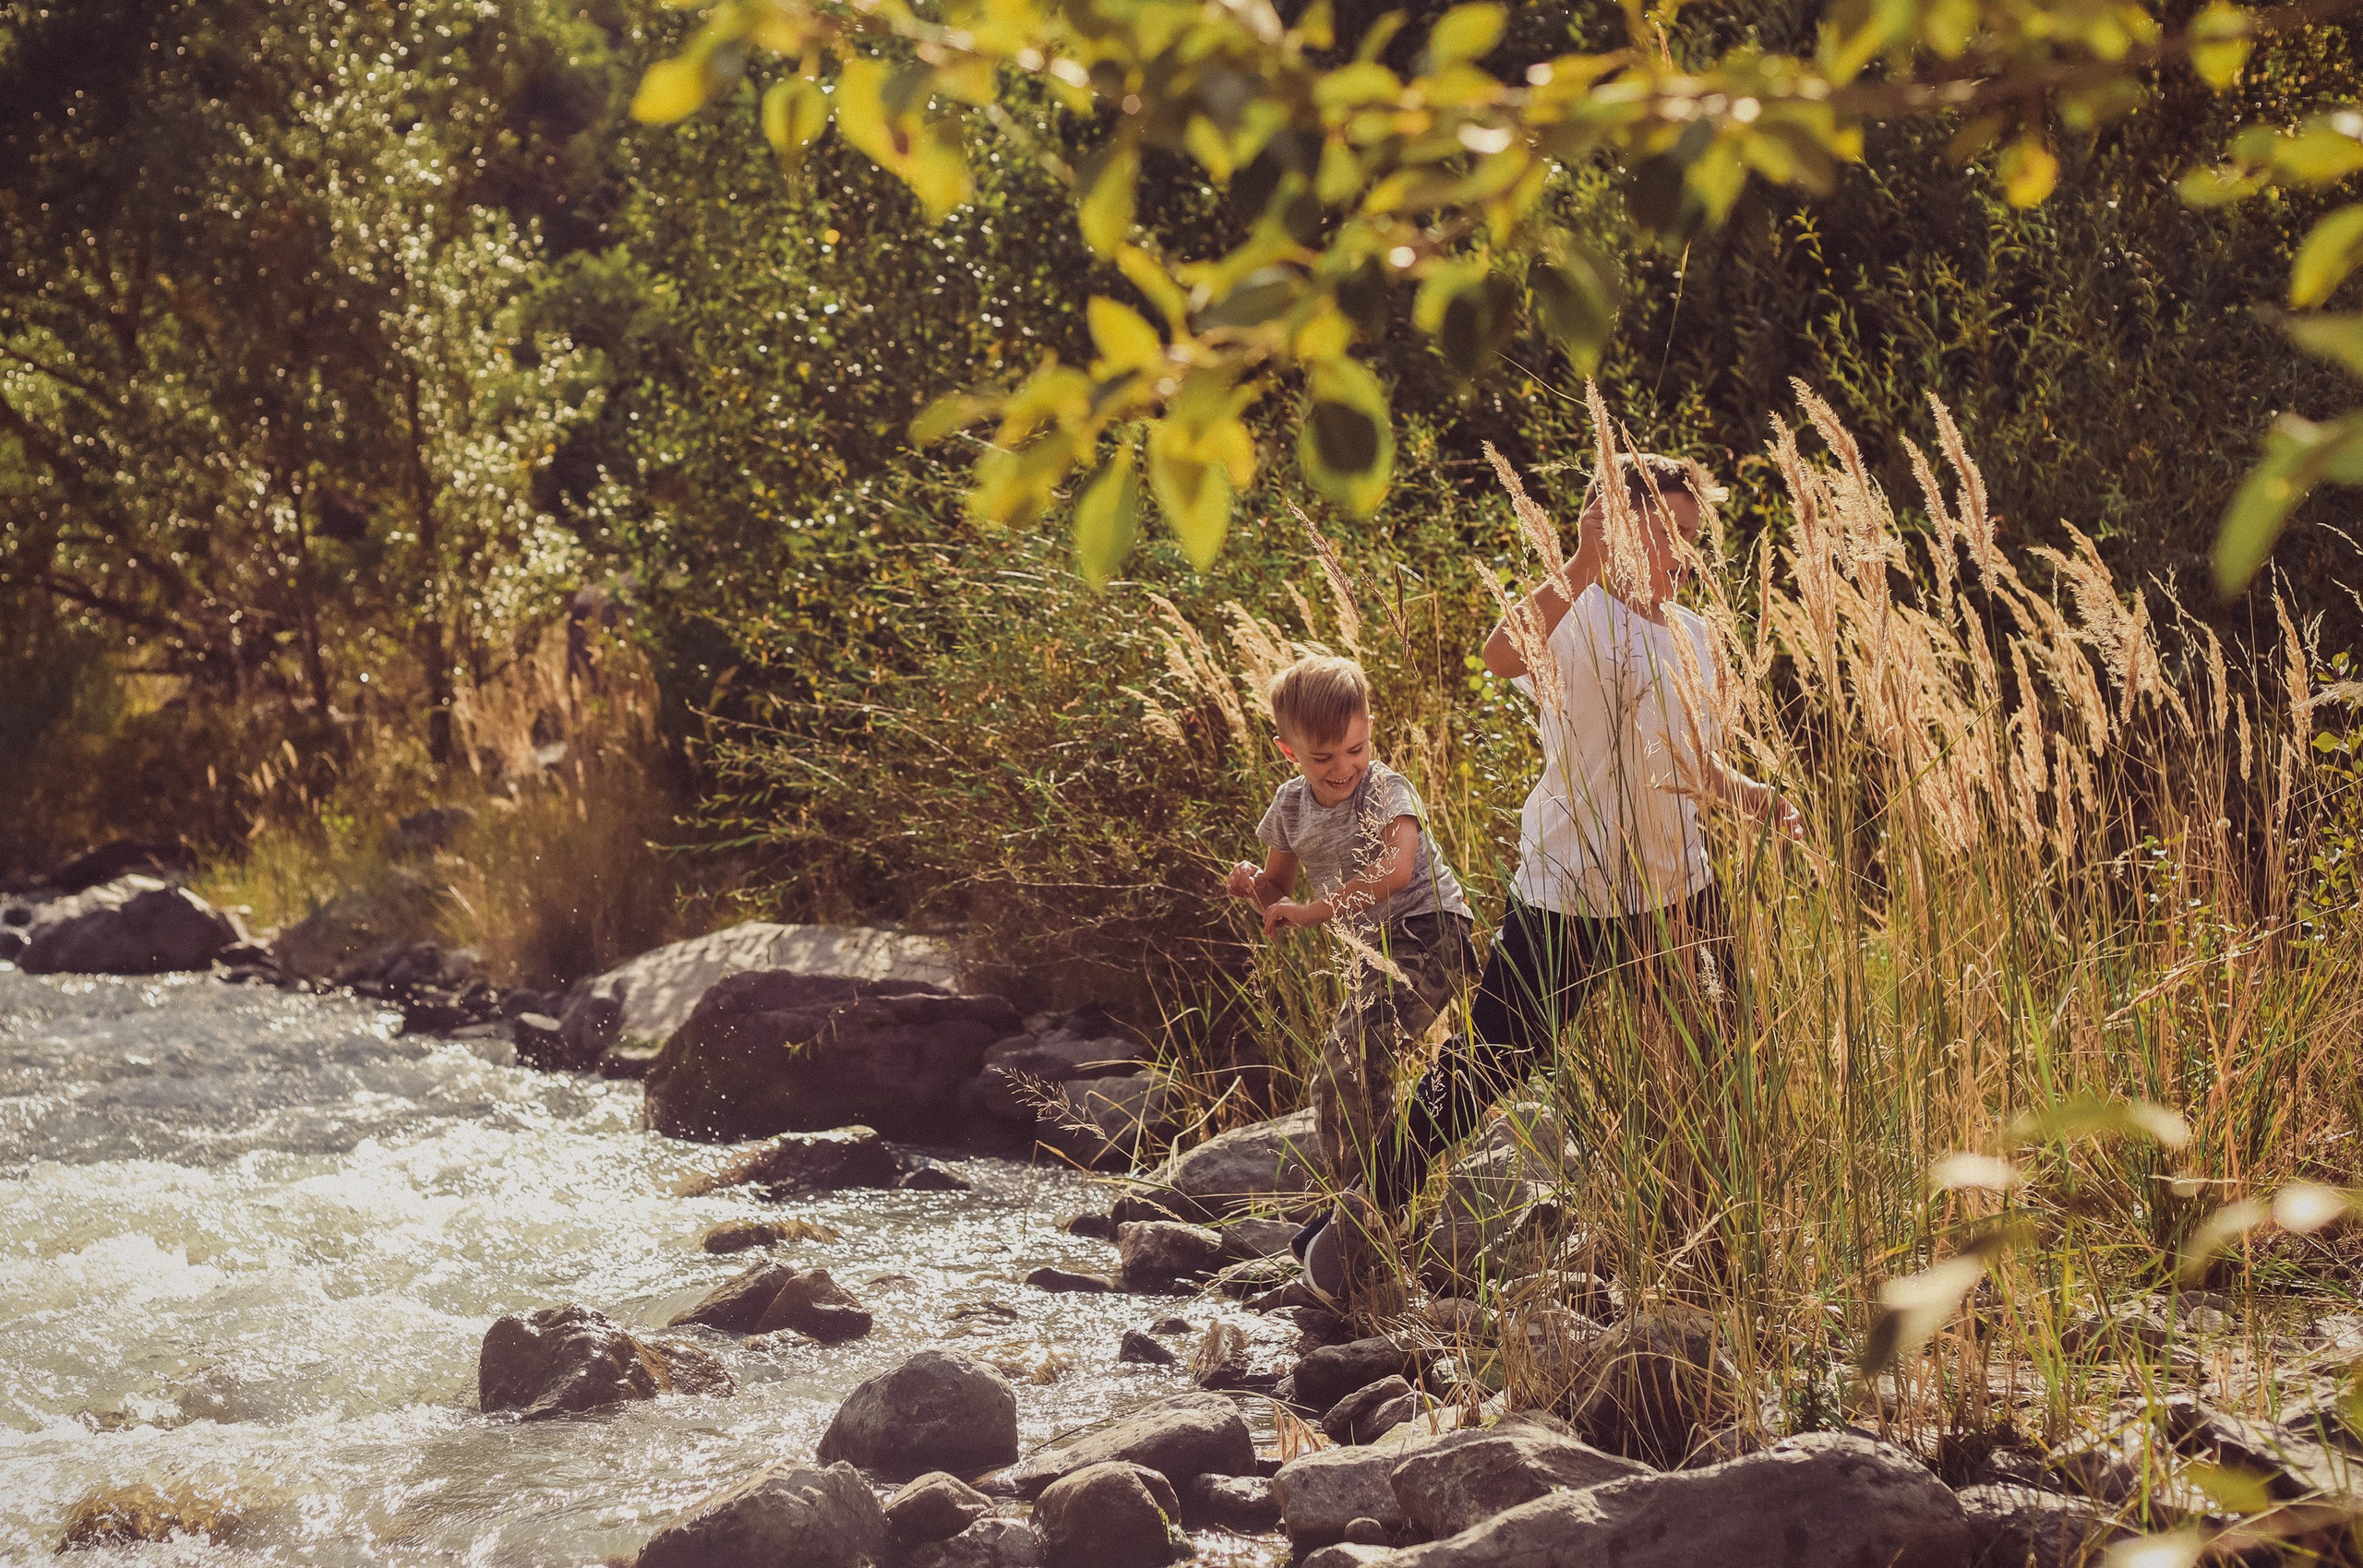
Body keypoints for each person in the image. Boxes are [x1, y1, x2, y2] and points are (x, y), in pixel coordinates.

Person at [1389, 452, 1801, 1223]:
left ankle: (1701, 1231)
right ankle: (1374, 1199)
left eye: (1692, 532)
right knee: (1495, 1061)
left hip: (1678, 888)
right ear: (1614, 529)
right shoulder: (1573, 615)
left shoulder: (1698, 634)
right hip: (1569, 890)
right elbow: (1498, 653)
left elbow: (1695, 760)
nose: (1684, 551)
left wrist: (1755, 798)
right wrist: (1580, 560)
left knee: (1724, 1055)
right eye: (1666, 533)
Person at [1226, 653, 1476, 1314]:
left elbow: (1397, 872)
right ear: (1290, 751)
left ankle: (1367, 1219)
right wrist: (1258, 888)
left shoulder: (1387, 789)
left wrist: (1311, 912)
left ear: (1371, 730)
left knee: (1348, 1068)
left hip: (1431, 933)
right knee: (1339, 1079)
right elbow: (1277, 890)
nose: (1343, 768)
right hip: (1374, 951)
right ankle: (1369, 1214)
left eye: (1356, 747)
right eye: (1323, 757)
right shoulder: (1290, 807)